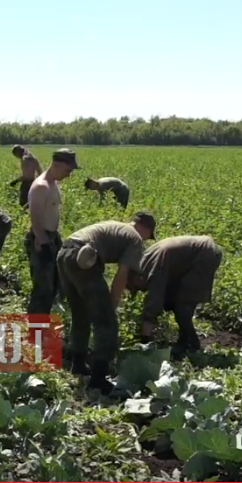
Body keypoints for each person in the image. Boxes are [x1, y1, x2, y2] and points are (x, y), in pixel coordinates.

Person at [57, 212, 155, 393]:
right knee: (106, 322)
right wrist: (111, 306)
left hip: (65, 252)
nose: (147, 240)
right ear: (145, 228)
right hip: (83, 257)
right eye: (149, 236)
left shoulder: (115, 226)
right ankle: (98, 378)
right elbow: (121, 276)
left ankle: (78, 364)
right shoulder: (134, 238)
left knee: (80, 313)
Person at [127, 235, 223, 356]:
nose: (141, 290)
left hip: (204, 255)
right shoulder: (145, 262)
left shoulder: (153, 269)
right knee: (172, 301)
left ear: (136, 277)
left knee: (183, 304)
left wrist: (145, 337)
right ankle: (188, 340)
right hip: (194, 256)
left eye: (136, 287)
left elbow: (155, 299)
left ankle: (190, 345)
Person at [26, 149, 80, 316]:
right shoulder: (41, 186)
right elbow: (35, 217)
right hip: (41, 239)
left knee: (55, 284)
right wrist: (43, 242)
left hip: (51, 237)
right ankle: (35, 331)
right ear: (56, 165)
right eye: (67, 170)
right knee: (43, 287)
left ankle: (43, 324)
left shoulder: (52, 183)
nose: (69, 175)